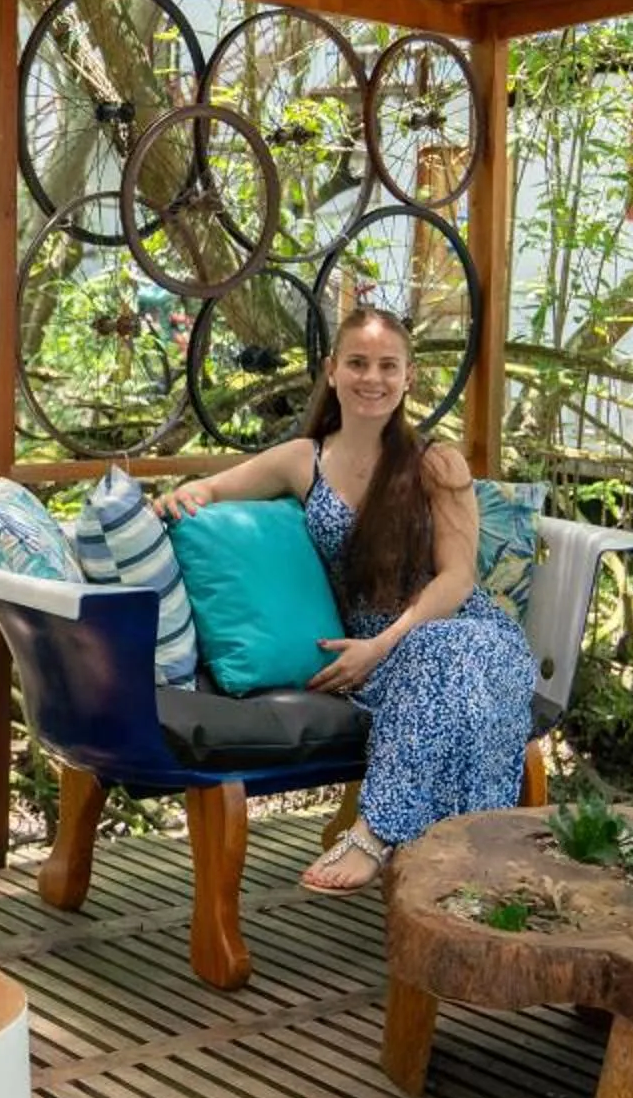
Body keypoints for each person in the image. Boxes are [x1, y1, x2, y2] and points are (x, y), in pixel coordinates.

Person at [154, 304, 536, 891]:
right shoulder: (302, 460)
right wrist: (180, 499)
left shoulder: (437, 463)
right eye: (357, 363)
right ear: (332, 371)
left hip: (461, 634)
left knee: (448, 655)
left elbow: (457, 580)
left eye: (388, 365)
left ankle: (375, 835)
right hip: (376, 653)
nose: (372, 378)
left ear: (408, 378)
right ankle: (470, 866)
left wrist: (379, 648)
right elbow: (210, 489)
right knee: (446, 677)